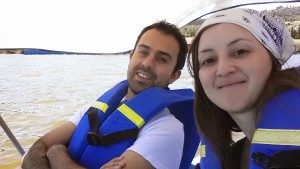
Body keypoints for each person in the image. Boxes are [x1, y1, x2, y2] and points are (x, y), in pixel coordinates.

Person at [22, 20, 199, 169]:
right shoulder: (96, 110)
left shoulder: (167, 129)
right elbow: (38, 147)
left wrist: (56, 153)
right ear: (131, 57)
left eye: (162, 59)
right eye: (143, 52)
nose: (147, 63)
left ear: (174, 76)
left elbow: (48, 148)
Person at [187, 8, 300, 169]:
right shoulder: (229, 160)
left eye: (240, 52)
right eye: (209, 60)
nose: (223, 69)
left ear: (272, 60)